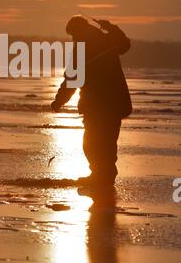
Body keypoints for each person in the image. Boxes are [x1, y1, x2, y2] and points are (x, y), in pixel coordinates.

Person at [51, 16, 132, 189]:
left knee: (94, 143)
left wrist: (59, 101)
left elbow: (71, 80)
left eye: (73, 35)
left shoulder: (83, 49)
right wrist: (111, 28)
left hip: (98, 105)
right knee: (104, 143)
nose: (73, 39)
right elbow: (124, 44)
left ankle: (103, 178)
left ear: (79, 31)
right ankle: (102, 176)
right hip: (113, 103)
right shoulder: (106, 40)